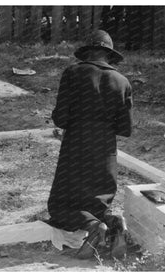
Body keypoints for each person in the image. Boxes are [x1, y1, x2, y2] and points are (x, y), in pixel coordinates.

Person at [46, 30, 133, 259]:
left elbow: (61, 119)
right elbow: (125, 128)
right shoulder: (122, 81)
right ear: (108, 55)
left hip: (76, 146)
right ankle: (115, 223)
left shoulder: (73, 72)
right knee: (98, 204)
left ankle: (95, 229)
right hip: (105, 151)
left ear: (87, 53)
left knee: (60, 205)